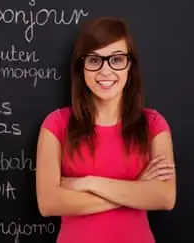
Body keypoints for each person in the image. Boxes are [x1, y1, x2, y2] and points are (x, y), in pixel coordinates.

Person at [35, 16, 176, 243]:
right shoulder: (56, 124)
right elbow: (49, 203)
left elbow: (165, 197)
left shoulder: (154, 124)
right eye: (94, 60)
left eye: (117, 59)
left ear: (130, 66)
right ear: (82, 67)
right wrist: (138, 189)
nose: (105, 71)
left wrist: (87, 182)